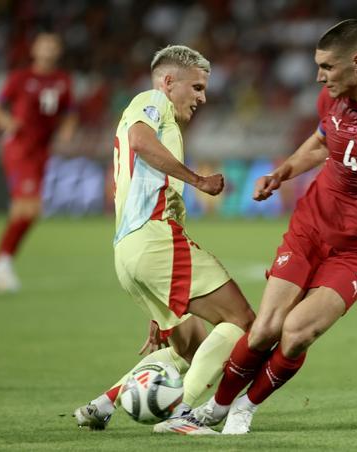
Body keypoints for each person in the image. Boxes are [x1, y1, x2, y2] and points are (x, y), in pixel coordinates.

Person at [155, 19, 357, 435]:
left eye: (327, 67)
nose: (319, 76)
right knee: (265, 329)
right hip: (311, 226)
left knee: (296, 333)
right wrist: (283, 172)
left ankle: (246, 406)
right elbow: (320, 143)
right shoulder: (333, 98)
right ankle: (215, 409)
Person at [72, 45, 255, 435]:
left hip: (129, 252)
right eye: (197, 87)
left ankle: (104, 403)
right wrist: (199, 180)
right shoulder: (152, 100)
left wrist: (158, 311)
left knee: (189, 346)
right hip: (155, 237)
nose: (202, 97)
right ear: (169, 82)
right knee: (240, 319)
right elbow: (140, 140)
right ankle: (184, 415)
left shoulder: (165, 120)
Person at [0, 32, 78, 293]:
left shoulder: (62, 81)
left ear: (58, 51)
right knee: (29, 208)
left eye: (53, 45)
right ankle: (0, 264)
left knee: (24, 211)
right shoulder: (20, 78)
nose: (48, 49)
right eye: (44, 44)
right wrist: (7, 122)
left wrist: (68, 129)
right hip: (20, 149)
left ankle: (0, 264)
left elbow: (70, 112)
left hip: (41, 151)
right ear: (34, 49)